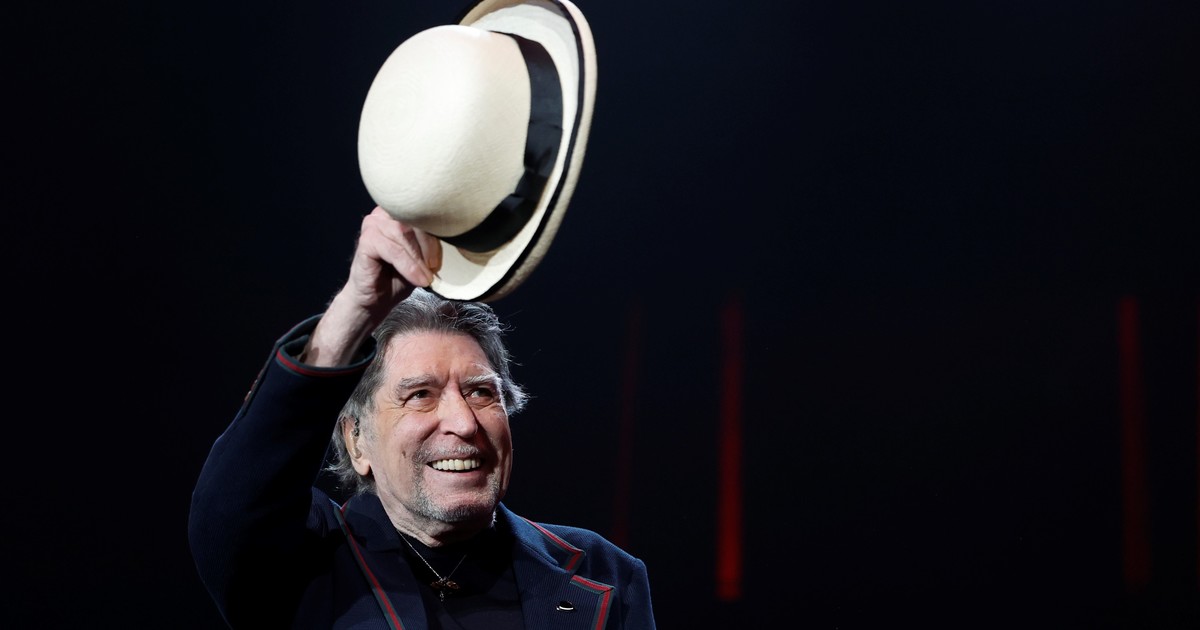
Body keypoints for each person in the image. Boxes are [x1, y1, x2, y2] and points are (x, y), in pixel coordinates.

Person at [188, 208, 658, 629]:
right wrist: (356, 308)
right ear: (356, 441)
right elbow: (233, 505)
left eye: (480, 392)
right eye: (420, 396)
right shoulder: (303, 562)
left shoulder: (605, 572)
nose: (463, 422)